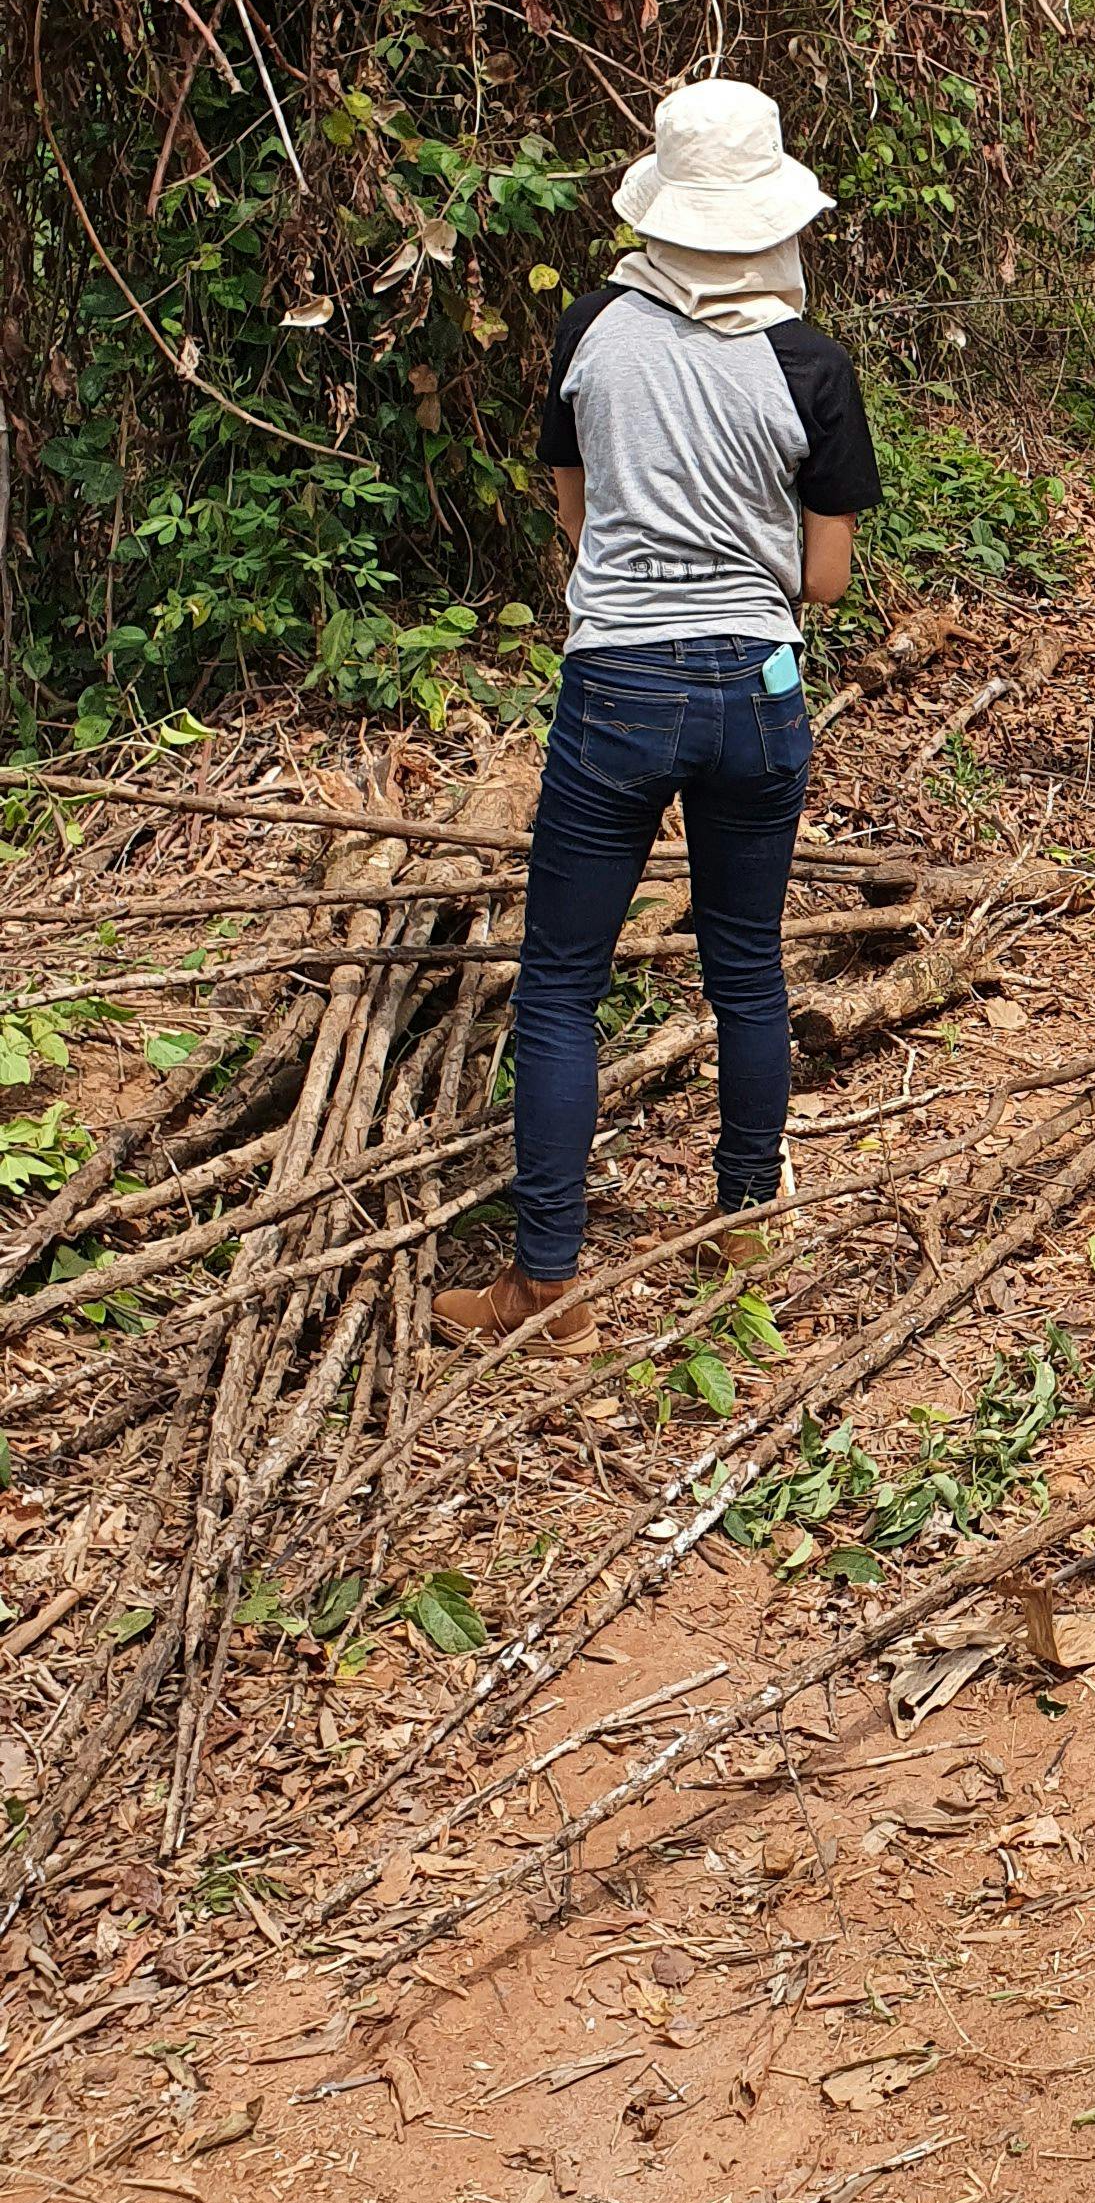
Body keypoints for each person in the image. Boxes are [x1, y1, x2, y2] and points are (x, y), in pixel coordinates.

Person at [436, 78, 883, 1354]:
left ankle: (546, 1284)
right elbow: (827, 579)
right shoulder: (809, 365)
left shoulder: (590, 331)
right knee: (746, 966)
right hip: (758, 688)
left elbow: (575, 523)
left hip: (616, 686)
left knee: (562, 987)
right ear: (772, 221)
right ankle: (745, 1224)